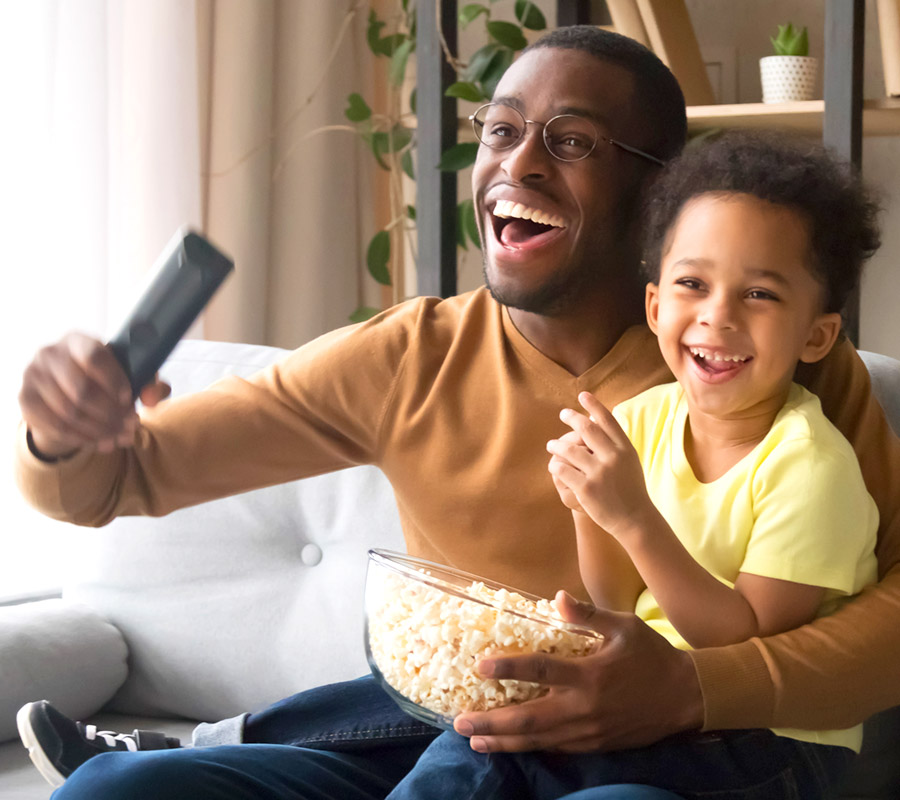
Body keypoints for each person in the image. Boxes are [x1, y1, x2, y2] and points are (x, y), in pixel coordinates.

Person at [11, 24, 900, 800]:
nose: (517, 163)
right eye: (500, 131)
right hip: (461, 746)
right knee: (118, 787)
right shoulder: (408, 358)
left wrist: (695, 691)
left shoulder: (768, 372)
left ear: (659, 194)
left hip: (672, 762)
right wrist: (61, 429)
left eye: (572, 140)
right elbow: (111, 482)